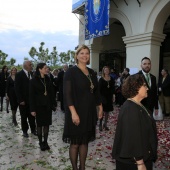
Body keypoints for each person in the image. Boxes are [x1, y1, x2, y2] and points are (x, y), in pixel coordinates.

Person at [62, 45, 103, 170]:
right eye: (82, 53)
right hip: (76, 110)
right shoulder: (71, 72)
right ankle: (75, 168)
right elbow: (67, 94)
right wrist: (73, 113)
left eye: (87, 53)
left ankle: (82, 167)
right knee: (75, 142)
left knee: (84, 141)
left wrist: (100, 107)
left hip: (89, 111)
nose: (85, 55)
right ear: (77, 56)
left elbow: (96, 92)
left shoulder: (91, 72)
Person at [112, 74, 158, 170]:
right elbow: (132, 137)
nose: (147, 88)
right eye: (145, 86)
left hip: (143, 157)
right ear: (136, 87)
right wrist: (140, 163)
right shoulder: (130, 108)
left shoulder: (138, 105)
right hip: (133, 162)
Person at [29, 63, 56, 151]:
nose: (47, 69)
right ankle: (40, 142)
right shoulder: (33, 80)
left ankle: (46, 142)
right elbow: (31, 96)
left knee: (47, 124)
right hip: (38, 106)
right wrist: (32, 109)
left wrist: (53, 104)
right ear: (39, 69)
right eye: (45, 68)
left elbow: (52, 92)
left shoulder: (48, 79)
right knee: (40, 125)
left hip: (47, 105)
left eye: (47, 68)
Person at [15, 60, 37, 137]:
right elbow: (17, 88)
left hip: (31, 100)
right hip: (23, 101)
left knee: (32, 115)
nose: (31, 66)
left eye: (31, 64)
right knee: (23, 116)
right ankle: (25, 131)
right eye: (30, 65)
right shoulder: (19, 74)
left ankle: (33, 129)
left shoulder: (32, 74)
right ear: (25, 65)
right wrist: (20, 100)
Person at [99, 66, 115, 131]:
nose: (106, 71)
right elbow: (99, 89)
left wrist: (113, 95)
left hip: (109, 97)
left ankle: (105, 124)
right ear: (103, 71)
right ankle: (100, 124)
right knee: (102, 111)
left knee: (107, 111)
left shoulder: (111, 78)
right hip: (103, 97)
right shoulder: (101, 79)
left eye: (107, 70)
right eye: (105, 70)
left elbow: (113, 88)